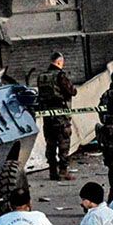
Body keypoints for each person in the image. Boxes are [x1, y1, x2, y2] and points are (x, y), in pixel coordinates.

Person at [37, 52, 78, 180]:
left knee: (50, 144)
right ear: (59, 62)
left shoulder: (42, 76)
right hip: (61, 115)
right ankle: (63, 171)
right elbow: (71, 91)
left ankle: (52, 171)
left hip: (47, 116)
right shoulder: (60, 76)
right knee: (63, 143)